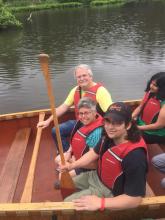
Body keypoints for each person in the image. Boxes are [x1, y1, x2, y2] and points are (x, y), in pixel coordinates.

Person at [59, 102, 148, 211]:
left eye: (117, 123)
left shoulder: (135, 156)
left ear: (128, 125)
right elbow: (93, 153)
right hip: (96, 176)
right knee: (62, 184)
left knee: (66, 205)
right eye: (107, 121)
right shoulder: (108, 136)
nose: (110, 127)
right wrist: (72, 166)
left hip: (110, 191)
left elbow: (135, 199)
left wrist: (100, 203)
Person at [37, 64, 112, 152]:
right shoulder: (75, 90)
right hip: (79, 122)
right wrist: (48, 121)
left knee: (87, 143)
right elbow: (63, 107)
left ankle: (79, 155)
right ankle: (66, 154)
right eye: (79, 77)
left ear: (90, 76)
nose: (81, 78)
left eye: (84, 75)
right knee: (56, 131)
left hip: (95, 127)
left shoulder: (101, 91)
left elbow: (110, 113)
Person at [55, 97, 103, 177]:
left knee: (62, 176)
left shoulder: (97, 132)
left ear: (94, 113)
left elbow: (94, 163)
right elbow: (74, 141)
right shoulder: (82, 122)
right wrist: (69, 152)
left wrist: (73, 164)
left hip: (88, 167)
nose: (83, 116)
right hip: (77, 158)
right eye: (81, 113)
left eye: (87, 113)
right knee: (57, 159)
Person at [132, 72, 165, 144]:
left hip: (156, 133)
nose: (151, 86)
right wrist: (130, 118)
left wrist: (138, 128)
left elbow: (159, 125)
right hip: (142, 126)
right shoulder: (150, 93)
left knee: (126, 134)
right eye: (151, 83)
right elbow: (140, 107)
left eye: (155, 85)